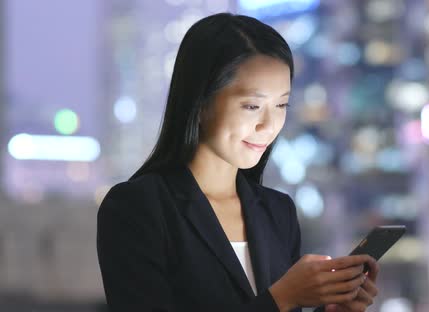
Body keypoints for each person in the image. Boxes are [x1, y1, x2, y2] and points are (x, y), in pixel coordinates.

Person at [96, 12, 380, 312]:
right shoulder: (137, 207)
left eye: (282, 104)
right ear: (200, 103)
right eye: (252, 105)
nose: (269, 125)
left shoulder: (277, 211)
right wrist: (282, 298)